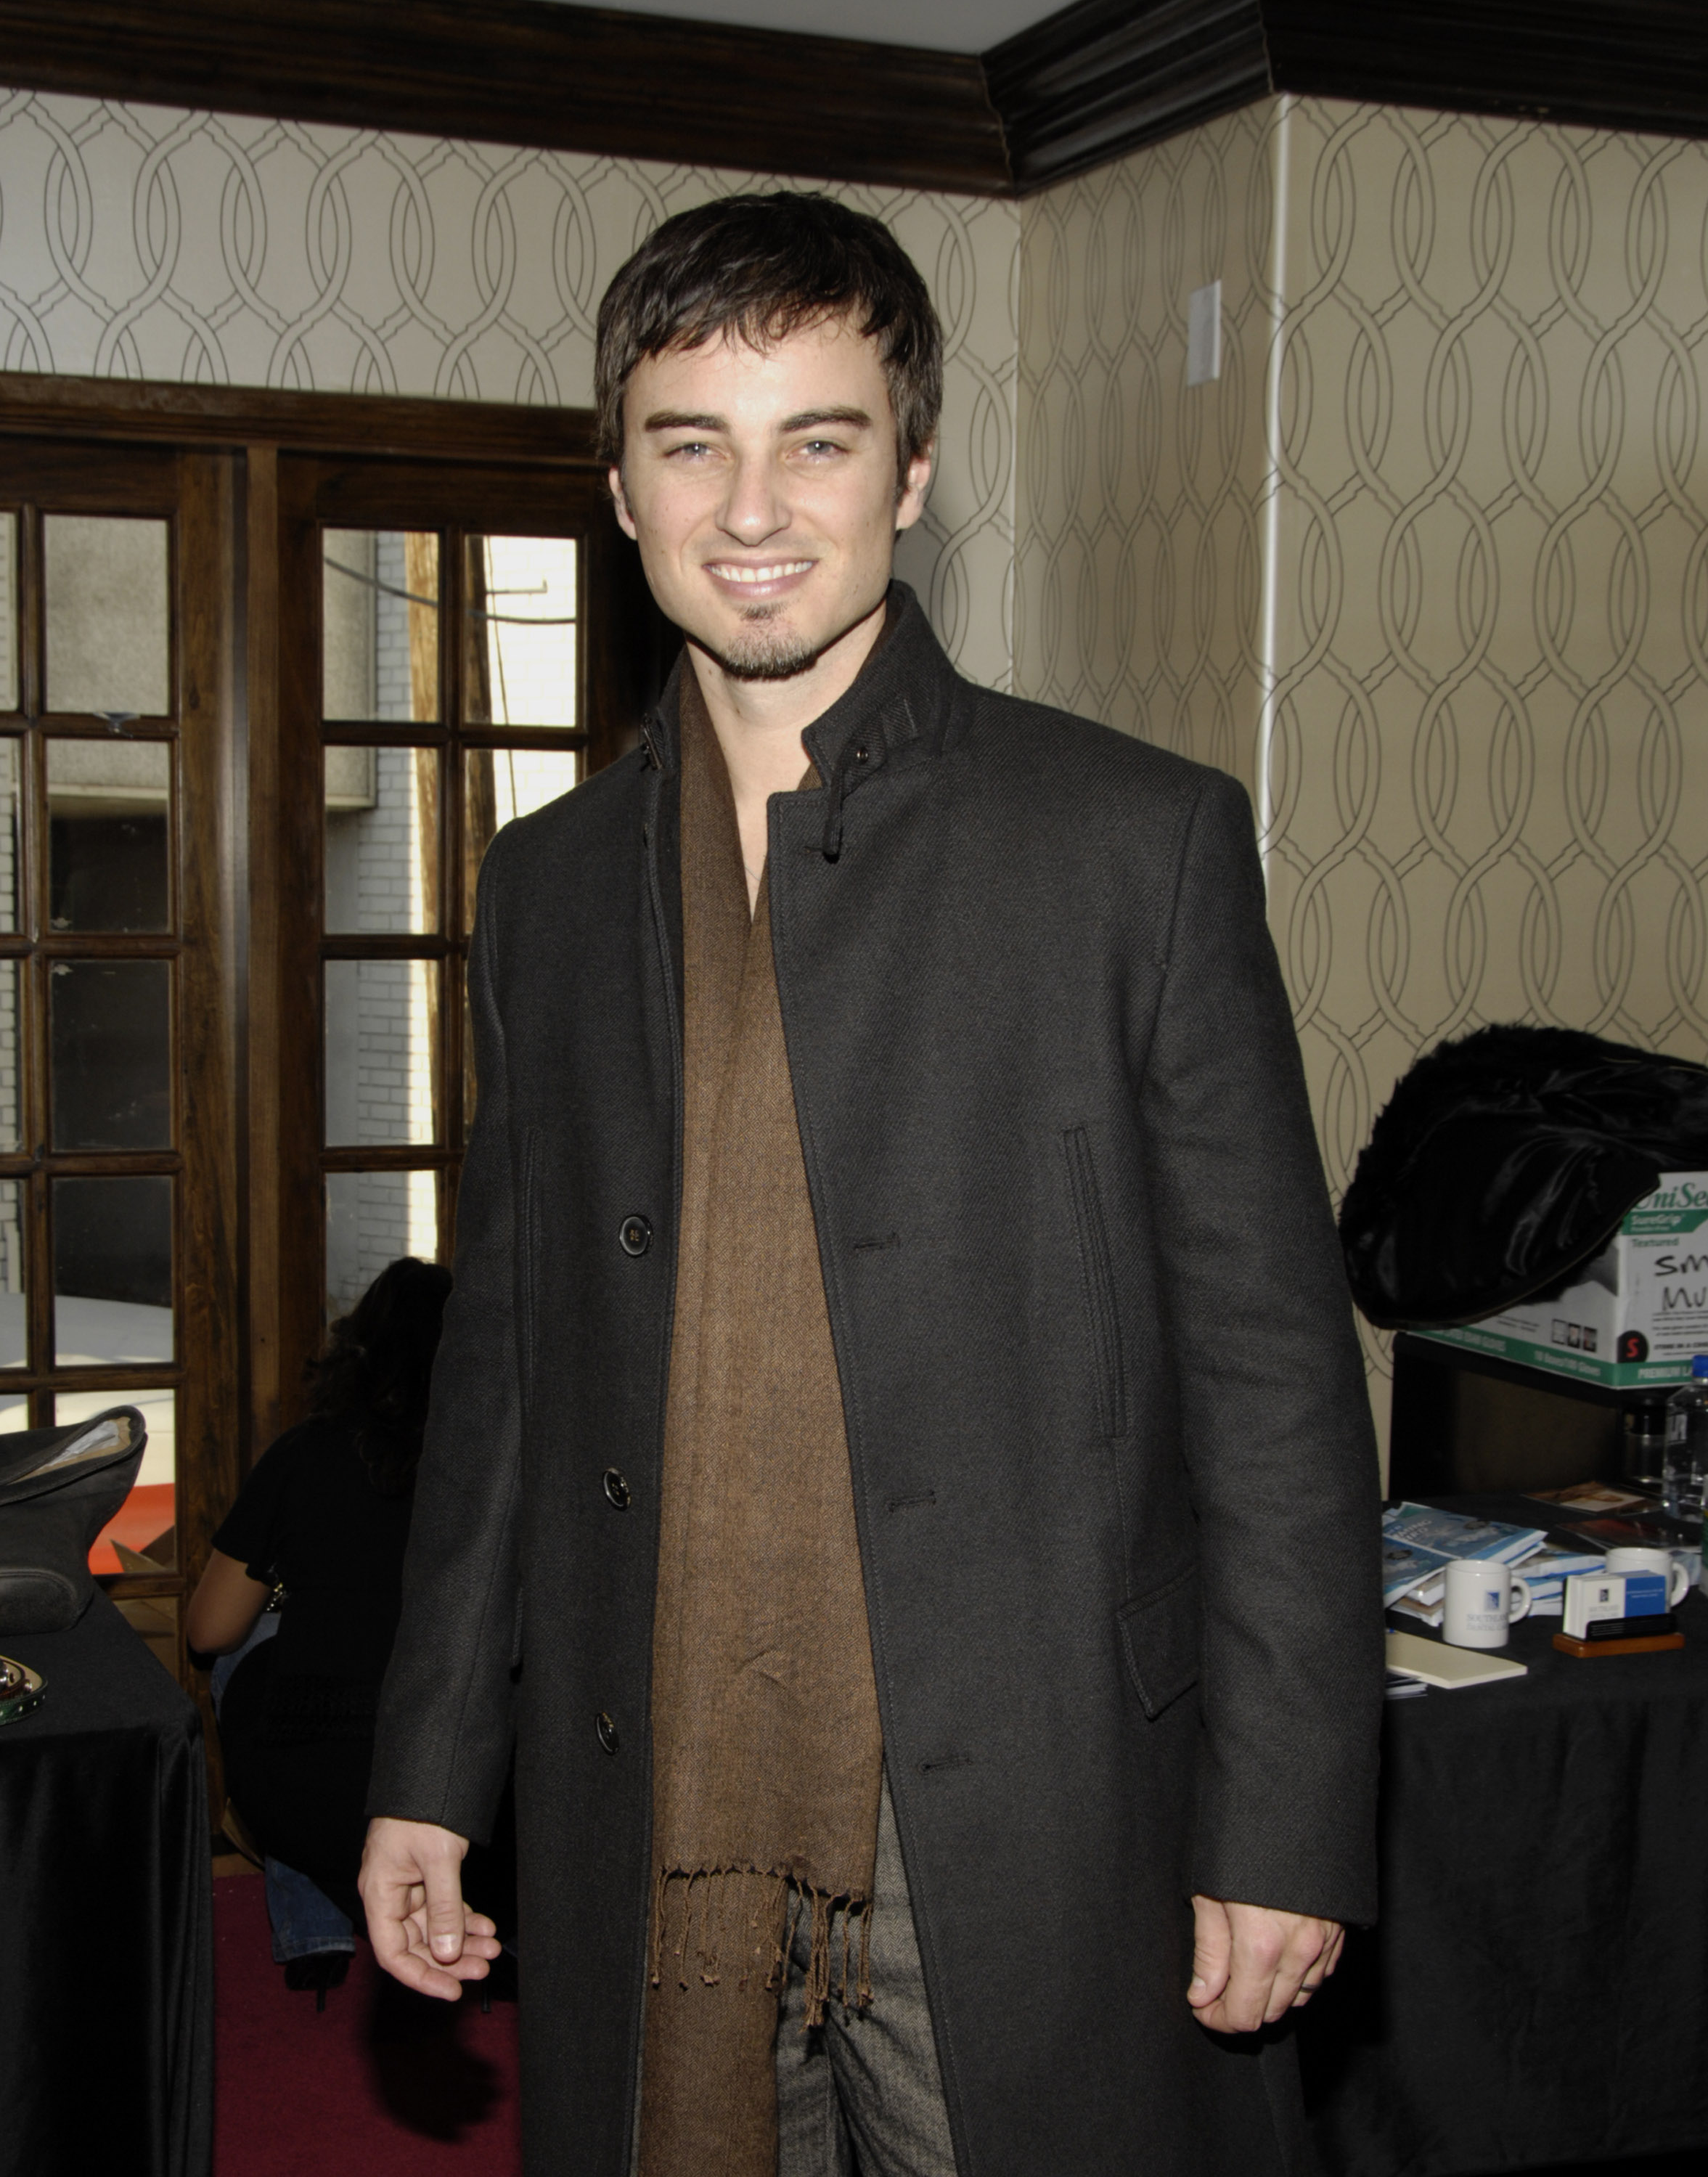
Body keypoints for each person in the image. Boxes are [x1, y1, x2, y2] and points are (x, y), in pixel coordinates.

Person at [361, 192, 1383, 2177]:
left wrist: (1284, 1819)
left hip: (1028, 1815)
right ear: (622, 484)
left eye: (816, 439)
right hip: (646, 1793)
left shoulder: (1132, 847)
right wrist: (426, 1765)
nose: (754, 507)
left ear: (909, 472)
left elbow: (1274, 1386)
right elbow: (507, 1366)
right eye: (692, 443)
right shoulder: (546, 890)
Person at [189, 1256, 499, 1966]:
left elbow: (206, 1632)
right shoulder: (497, 1467)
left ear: (354, 1351)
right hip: (465, 1788)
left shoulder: (305, 1454)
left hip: (309, 1787)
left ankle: (313, 1929)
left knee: (247, 1648)